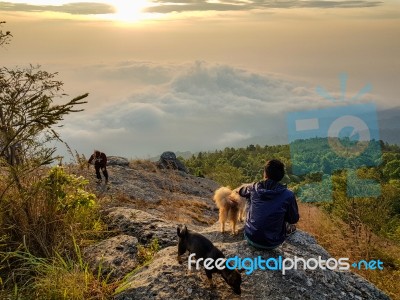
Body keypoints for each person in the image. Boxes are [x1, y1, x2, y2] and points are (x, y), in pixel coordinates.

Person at [239, 159, 299, 250]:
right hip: (272, 243)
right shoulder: (288, 195)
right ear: (281, 176)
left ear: (265, 174)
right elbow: (293, 219)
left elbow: (241, 192)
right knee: (283, 209)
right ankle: (286, 229)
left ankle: (251, 226)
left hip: (250, 237)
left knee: (249, 198)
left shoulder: (253, 188)